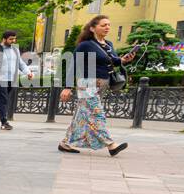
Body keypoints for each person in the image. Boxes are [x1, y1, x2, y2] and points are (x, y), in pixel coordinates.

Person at [58, 14, 135, 156]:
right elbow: (73, 65)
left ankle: (65, 143)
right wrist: (67, 87)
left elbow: (113, 61)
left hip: (103, 83)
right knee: (96, 113)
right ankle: (111, 145)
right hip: (87, 83)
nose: (107, 27)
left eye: (109, 25)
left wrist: (123, 60)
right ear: (93, 28)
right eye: (103, 25)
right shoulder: (85, 45)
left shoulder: (109, 44)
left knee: (82, 114)